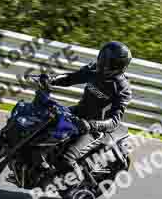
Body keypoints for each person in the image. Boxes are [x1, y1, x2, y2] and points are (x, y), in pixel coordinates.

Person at [47, 41, 133, 178]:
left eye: (109, 62)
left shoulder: (122, 89)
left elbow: (115, 121)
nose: (104, 64)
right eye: (103, 58)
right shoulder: (94, 69)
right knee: (45, 132)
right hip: (77, 114)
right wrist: (51, 80)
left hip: (95, 129)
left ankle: (76, 179)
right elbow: (70, 78)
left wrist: (91, 125)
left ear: (119, 66)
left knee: (66, 158)